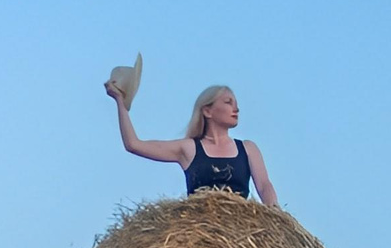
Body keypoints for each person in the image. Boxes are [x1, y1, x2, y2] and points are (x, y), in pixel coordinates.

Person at [107, 81, 276, 203]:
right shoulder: (189, 148)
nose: (236, 109)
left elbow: (264, 186)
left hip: (240, 231)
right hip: (199, 231)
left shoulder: (247, 149)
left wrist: (276, 222)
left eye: (236, 104)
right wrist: (120, 103)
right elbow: (133, 144)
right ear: (207, 111)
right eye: (228, 102)